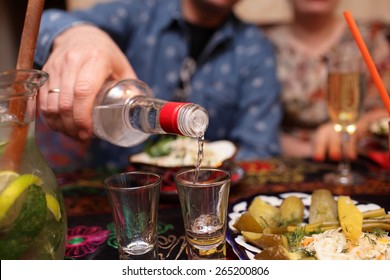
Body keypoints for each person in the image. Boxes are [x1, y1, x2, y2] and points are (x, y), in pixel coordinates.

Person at [34, 0, 282, 169]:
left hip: (197, 193)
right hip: (114, 184)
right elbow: (44, 23)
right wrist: (78, 35)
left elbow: (260, 147)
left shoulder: (255, 47)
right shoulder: (141, 12)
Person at [265, 0, 390, 161]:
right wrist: (314, 150)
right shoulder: (262, 44)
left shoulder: (371, 38)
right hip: (291, 161)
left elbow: (384, 110)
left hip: (360, 160)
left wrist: (356, 128)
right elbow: (256, 127)